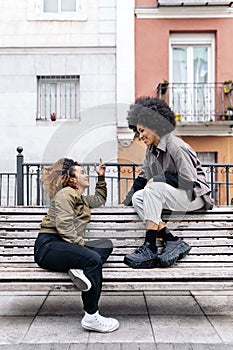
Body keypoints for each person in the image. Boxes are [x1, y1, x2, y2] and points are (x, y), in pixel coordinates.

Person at [122, 96, 213, 269]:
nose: (140, 136)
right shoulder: (152, 150)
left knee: (154, 187)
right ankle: (171, 239)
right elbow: (142, 178)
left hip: (195, 196)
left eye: (142, 131)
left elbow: (189, 183)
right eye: (138, 132)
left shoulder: (176, 146)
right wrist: (124, 204)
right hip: (176, 194)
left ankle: (150, 247)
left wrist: (157, 179)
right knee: (139, 198)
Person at [34, 157, 119, 333]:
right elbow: (64, 226)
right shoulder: (66, 194)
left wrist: (101, 178)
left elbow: (99, 199)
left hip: (61, 245)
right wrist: (82, 249)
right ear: (72, 179)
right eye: (82, 172)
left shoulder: (80, 198)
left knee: (105, 245)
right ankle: (91, 316)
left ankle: (78, 268)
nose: (86, 174)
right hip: (48, 247)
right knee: (93, 260)